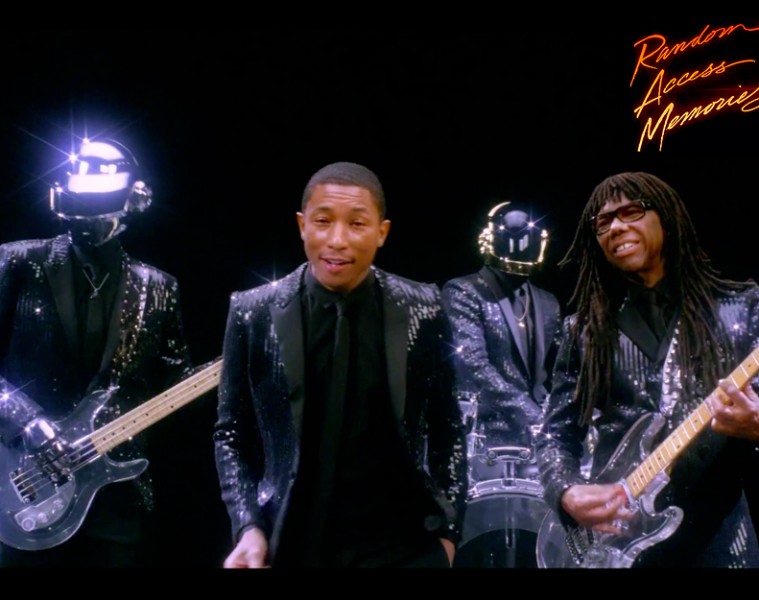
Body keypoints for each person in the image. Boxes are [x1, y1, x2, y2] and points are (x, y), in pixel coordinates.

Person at [214, 161, 467, 568]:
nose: (337, 240)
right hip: (290, 541)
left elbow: (448, 426)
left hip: (403, 545)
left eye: (357, 224)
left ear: (382, 232)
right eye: (323, 221)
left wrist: (448, 535)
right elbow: (231, 434)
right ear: (302, 226)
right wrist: (248, 527)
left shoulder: (424, 306)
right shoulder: (252, 311)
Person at [535, 171, 759, 568]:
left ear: (667, 218)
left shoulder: (740, 307)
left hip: (721, 539)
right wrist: (565, 491)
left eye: (631, 211)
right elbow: (555, 433)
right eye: (604, 221)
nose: (616, 227)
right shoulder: (584, 330)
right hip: (616, 540)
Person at [0, 138, 193, 567]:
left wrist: (234, 369)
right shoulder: (16, 262)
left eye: (100, 207)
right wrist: (26, 419)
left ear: (134, 200)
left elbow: (174, 383)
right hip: (21, 487)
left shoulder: (158, 287)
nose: (88, 222)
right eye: (80, 207)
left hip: (115, 495)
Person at [440, 200, 561, 567]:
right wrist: (535, 417)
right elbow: (473, 367)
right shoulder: (463, 291)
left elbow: (554, 376)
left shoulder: (549, 303)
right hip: (480, 442)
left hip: (536, 451)